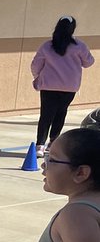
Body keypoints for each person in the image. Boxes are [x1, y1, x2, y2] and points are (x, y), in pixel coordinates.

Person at [31, 16, 94, 156]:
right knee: (61, 112)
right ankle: (53, 142)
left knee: (46, 115)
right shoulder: (79, 46)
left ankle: (39, 145)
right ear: (72, 29)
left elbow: (36, 64)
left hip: (48, 86)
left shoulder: (47, 46)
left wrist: (37, 77)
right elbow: (88, 62)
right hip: (69, 86)